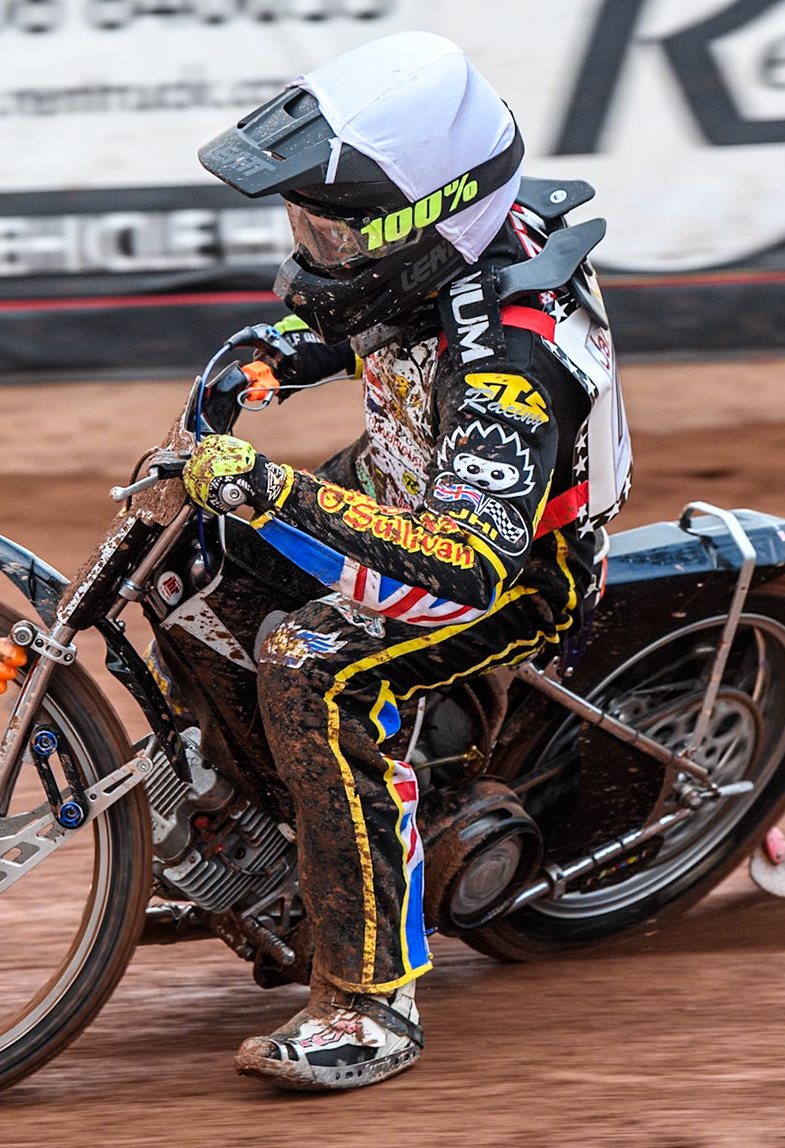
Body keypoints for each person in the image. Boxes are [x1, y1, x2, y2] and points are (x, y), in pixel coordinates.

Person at [177, 31, 630, 1091]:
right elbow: (372, 306)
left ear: (425, 219)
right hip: (409, 481)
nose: (312, 252)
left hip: (517, 565)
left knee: (309, 660)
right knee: (201, 559)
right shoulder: (447, 243)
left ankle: (369, 1001)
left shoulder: (516, 355)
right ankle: (264, 822)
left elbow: (470, 561)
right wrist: (277, 354)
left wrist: (280, 487)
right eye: (307, 225)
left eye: (333, 233)